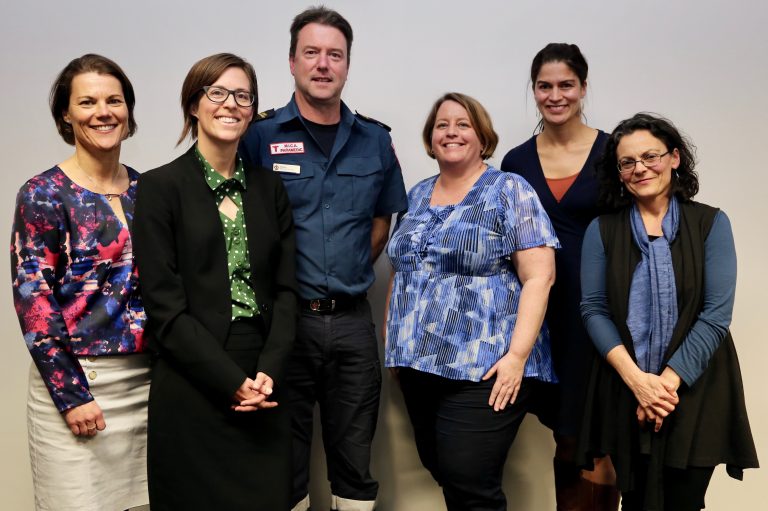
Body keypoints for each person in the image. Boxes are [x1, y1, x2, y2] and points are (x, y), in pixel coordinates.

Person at [240, 7, 407, 511]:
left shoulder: (374, 139)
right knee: (282, 460)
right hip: (284, 325)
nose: (323, 64)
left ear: (348, 65)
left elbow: (382, 220)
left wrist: (348, 266)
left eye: (334, 54)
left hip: (353, 322)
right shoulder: (259, 137)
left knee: (355, 460)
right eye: (311, 53)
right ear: (292, 61)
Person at [133, 53, 297, 511]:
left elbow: (287, 290)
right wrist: (230, 382)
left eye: (243, 95)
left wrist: (268, 373)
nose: (231, 104)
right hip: (193, 377)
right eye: (217, 92)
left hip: (264, 377)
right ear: (194, 105)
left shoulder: (270, 189)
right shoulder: (159, 188)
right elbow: (165, 307)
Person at [385, 92, 559, 511]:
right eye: (442, 125)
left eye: (463, 124)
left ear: (482, 136)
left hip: (487, 364)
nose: (451, 132)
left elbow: (540, 275)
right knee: (443, 468)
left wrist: (516, 357)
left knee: (469, 478)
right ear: (430, 138)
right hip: (418, 365)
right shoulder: (416, 194)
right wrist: (394, 349)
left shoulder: (508, 190)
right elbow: (402, 271)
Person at [578, 113, 759, 510]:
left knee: (685, 502)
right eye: (628, 162)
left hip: (696, 389)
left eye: (650, 156)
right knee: (635, 499)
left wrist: (663, 387)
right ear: (619, 172)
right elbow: (593, 309)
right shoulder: (602, 230)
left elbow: (715, 314)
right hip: (624, 386)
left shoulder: (710, 223)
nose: (640, 168)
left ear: (674, 158)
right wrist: (638, 382)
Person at [10, 54, 149, 511]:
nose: (102, 112)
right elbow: (34, 304)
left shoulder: (149, 192)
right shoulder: (42, 193)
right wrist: (71, 395)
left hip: (151, 384)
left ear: (128, 112)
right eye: (87, 102)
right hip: (77, 387)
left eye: (114, 100)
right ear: (66, 115)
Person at [500, 43, 618, 509]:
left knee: (602, 437)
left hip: (603, 314)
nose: (555, 95)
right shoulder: (516, 162)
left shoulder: (613, 152)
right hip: (543, 317)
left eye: (566, 85)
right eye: (545, 86)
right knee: (566, 436)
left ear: (583, 88)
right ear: (534, 91)